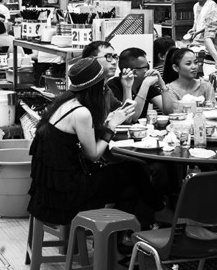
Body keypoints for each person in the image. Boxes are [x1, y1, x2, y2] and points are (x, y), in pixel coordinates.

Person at [27, 57, 170, 226]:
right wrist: (111, 125)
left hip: (51, 190)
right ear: (96, 85)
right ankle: (157, 214)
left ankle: (120, 239)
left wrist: (107, 123)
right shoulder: (81, 112)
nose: (105, 87)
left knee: (132, 181)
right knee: (135, 172)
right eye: (103, 83)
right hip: (68, 193)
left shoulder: (65, 103)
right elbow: (93, 155)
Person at [107, 48, 174, 120]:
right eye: (146, 67)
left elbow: (168, 111)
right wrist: (145, 84)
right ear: (135, 72)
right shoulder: (113, 86)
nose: (149, 69)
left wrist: (162, 85)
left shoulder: (145, 82)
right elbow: (130, 118)